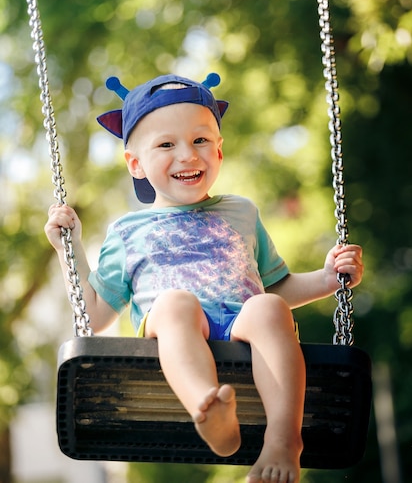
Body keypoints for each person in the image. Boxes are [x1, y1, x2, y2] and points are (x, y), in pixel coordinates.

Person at [45, 73, 364, 483]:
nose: (187, 155)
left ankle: (284, 440)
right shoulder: (127, 232)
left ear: (219, 150)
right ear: (136, 163)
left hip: (240, 328)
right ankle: (208, 407)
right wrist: (67, 250)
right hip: (174, 331)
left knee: (267, 306)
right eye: (166, 144)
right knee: (178, 303)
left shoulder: (242, 212)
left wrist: (326, 279)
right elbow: (94, 316)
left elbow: (277, 288)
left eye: (200, 141)